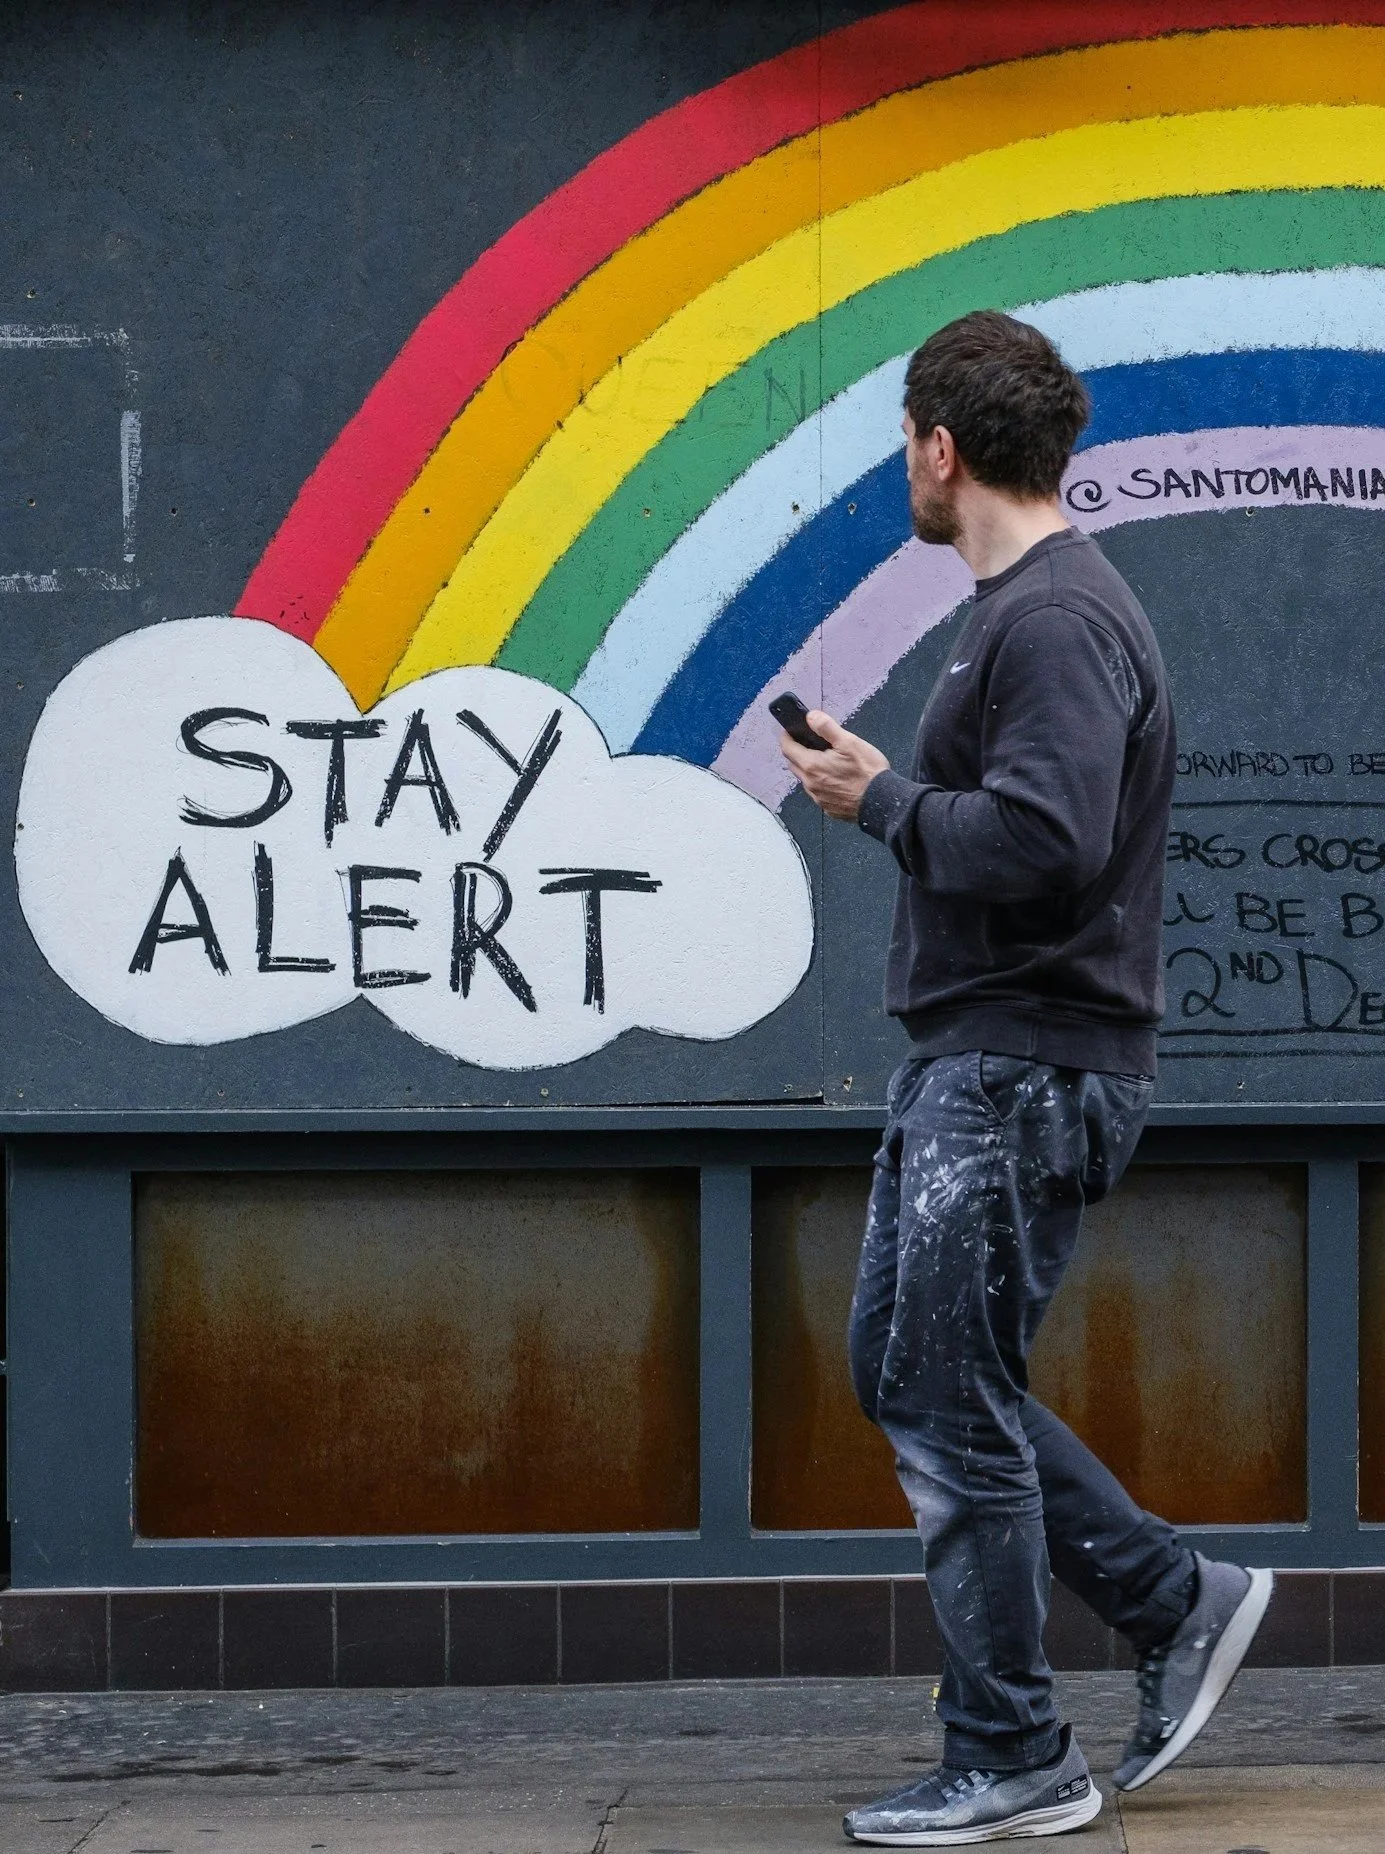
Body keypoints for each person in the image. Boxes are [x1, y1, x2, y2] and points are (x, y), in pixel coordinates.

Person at [779, 310, 1272, 1846]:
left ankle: (1015, 1754)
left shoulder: (1052, 619)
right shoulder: (1034, 608)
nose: (903, 471)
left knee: (944, 1398)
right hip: (989, 1061)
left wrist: (883, 804)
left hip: (1020, 1068)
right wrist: (904, 797)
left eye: (904, 447)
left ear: (942, 447)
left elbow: (1048, 839)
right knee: (914, 1374)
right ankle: (1169, 1594)